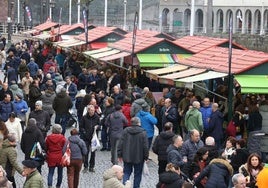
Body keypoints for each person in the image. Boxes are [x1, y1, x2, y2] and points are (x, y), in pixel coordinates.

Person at [118, 117, 149, 188]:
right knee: (137, 174)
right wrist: (146, 157)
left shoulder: (125, 131)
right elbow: (145, 146)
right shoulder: (143, 132)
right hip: (139, 157)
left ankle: (125, 186)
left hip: (127, 156)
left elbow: (121, 143)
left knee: (126, 173)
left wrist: (119, 154)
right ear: (138, 123)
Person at [79, 104, 100, 172]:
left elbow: (100, 125)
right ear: (88, 111)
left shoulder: (97, 117)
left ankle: (91, 166)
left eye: (93, 110)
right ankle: (85, 166)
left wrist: (97, 127)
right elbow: (81, 126)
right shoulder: (84, 117)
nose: (92, 112)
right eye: (91, 110)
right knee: (86, 152)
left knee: (93, 152)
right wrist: (84, 132)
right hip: (86, 137)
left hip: (93, 137)